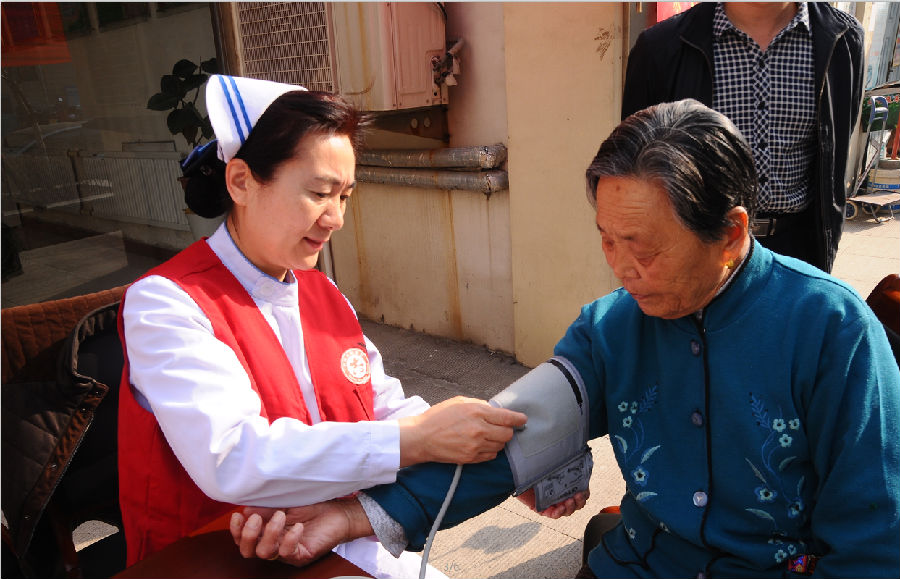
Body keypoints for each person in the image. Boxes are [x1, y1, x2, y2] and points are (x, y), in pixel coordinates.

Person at [231, 100, 900, 578]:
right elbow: (510, 435)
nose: (621, 268)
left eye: (643, 248)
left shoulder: (831, 331)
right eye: (607, 240)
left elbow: (871, 534)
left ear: (730, 233)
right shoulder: (611, 328)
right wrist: (355, 516)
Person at [116, 74, 529, 579]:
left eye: (345, 196)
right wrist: (416, 439)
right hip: (212, 558)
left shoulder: (320, 291)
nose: (335, 219)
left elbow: (382, 403)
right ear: (241, 181)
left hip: (328, 538)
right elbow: (233, 458)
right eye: (318, 193)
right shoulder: (166, 303)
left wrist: (489, 447)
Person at [622, 2, 864, 274]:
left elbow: (834, 154)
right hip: (695, 248)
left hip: (798, 250)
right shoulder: (660, 47)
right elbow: (634, 170)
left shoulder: (843, 39)